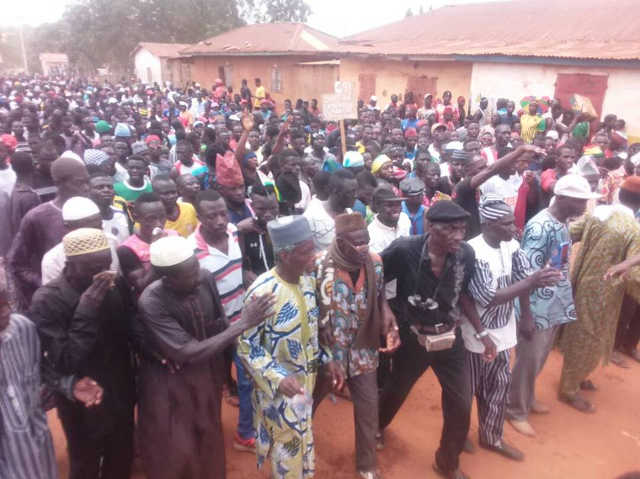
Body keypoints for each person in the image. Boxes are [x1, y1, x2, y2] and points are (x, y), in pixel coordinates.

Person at [137, 235, 275, 479]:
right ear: (167, 279)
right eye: (189, 275)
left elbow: (220, 322)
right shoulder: (151, 301)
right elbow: (186, 352)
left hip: (208, 375)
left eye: (196, 268)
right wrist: (243, 323)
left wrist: (241, 355)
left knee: (209, 433)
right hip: (173, 383)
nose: (196, 277)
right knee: (180, 447)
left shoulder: (205, 277)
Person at [377, 200, 481, 479]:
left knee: (461, 403)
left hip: (450, 338)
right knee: (397, 388)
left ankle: (447, 462)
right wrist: (385, 309)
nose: (459, 236)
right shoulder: (404, 250)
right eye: (451, 229)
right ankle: (376, 426)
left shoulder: (466, 254)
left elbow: (463, 293)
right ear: (431, 227)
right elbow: (375, 277)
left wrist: (481, 332)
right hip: (413, 337)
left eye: (462, 229)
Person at [238, 215, 344, 479]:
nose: (314, 256)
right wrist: (278, 377)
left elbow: (314, 332)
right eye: (307, 251)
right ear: (285, 255)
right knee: (286, 444)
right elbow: (247, 346)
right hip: (278, 390)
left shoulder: (307, 282)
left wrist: (328, 359)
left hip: (305, 382)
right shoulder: (263, 293)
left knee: (302, 434)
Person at [30, 228, 136, 479]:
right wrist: (86, 310)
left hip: (120, 388)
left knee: (122, 456)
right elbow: (65, 361)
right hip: (81, 397)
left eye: (106, 263)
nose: (102, 271)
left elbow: (131, 329)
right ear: (70, 265)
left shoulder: (115, 285)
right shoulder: (47, 300)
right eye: (92, 266)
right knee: (85, 462)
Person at [462, 195, 562, 461]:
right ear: (488, 225)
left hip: (504, 332)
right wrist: (532, 281)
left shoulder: (512, 246)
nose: (514, 227)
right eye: (506, 223)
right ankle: (459, 434)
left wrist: (526, 314)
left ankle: (492, 437)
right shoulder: (473, 252)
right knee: (467, 390)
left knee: (498, 386)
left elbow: (523, 279)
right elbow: (488, 297)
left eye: (512, 221)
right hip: (477, 335)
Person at [506, 174, 598, 436]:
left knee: (540, 357)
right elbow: (525, 275)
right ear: (563, 198)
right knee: (528, 359)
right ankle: (515, 409)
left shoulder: (562, 221)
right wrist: (526, 315)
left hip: (553, 303)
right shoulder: (540, 228)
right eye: (580, 201)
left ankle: (526, 396)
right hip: (536, 309)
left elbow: (556, 262)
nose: (585, 206)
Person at [314, 213, 400, 479]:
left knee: (368, 407)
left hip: (363, 349)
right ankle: (295, 450)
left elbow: (379, 295)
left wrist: (387, 314)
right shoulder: (319, 266)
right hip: (329, 354)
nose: (364, 247)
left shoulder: (375, 263)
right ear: (340, 242)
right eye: (357, 243)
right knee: (308, 403)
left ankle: (367, 465)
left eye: (366, 241)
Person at [0, 287, 103, 479]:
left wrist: (69, 385)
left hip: (36, 443)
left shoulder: (23, 328)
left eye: (5, 304)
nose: (5, 312)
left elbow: (39, 367)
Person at [558, 177, 640, 412]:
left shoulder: (598, 213)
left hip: (580, 281)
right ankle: (569, 389)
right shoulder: (633, 229)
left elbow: (569, 233)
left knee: (582, 333)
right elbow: (634, 273)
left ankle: (578, 377)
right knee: (590, 337)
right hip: (605, 292)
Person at [8, 156, 90, 311]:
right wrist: (46, 284)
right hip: (56, 305)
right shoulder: (37, 217)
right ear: (58, 183)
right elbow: (16, 264)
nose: (86, 188)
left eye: (88, 182)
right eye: (79, 183)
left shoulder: (91, 211)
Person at [41, 196, 119, 284]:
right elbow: (53, 291)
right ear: (67, 227)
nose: (95, 235)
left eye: (99, 227)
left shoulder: (111, 241)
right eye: (87, 230)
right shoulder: (53, 260)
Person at [117, 193, 174, 296]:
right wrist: (157, 250)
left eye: (162, 217)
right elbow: (141, 286)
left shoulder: (174, 235)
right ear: (136, 218)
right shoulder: (127, 249)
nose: (159, 224)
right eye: (151, 219)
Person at [304, 169, 357, 251]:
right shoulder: (311, 217)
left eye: (356, 191)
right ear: (335, 192)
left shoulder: (350, 213)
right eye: (351, 192)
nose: (356, 195)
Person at [239, 183, 279, 280]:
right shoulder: (245, 232)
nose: (268, 214)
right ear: (252, 206)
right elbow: (241, 265)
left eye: (273, 208)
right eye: (261, 209)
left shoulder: (286, 228)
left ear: (278, 204)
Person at [7, 150, 40, 240]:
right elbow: (34, 227)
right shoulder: (29, 196)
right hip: (29, 242)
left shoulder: (15, 190)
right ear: (32, 166)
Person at [89, 173, 130, 243]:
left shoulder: (121, 214)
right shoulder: (86, 219)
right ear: (88, 191)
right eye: (100, 187)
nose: (106, 190)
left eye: (110, 187)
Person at [368, 187, 411, 254]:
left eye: (398, 204)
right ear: (377, 207)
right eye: (389, 205)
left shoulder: (404, 219)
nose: (395, 209)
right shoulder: (372, 234)